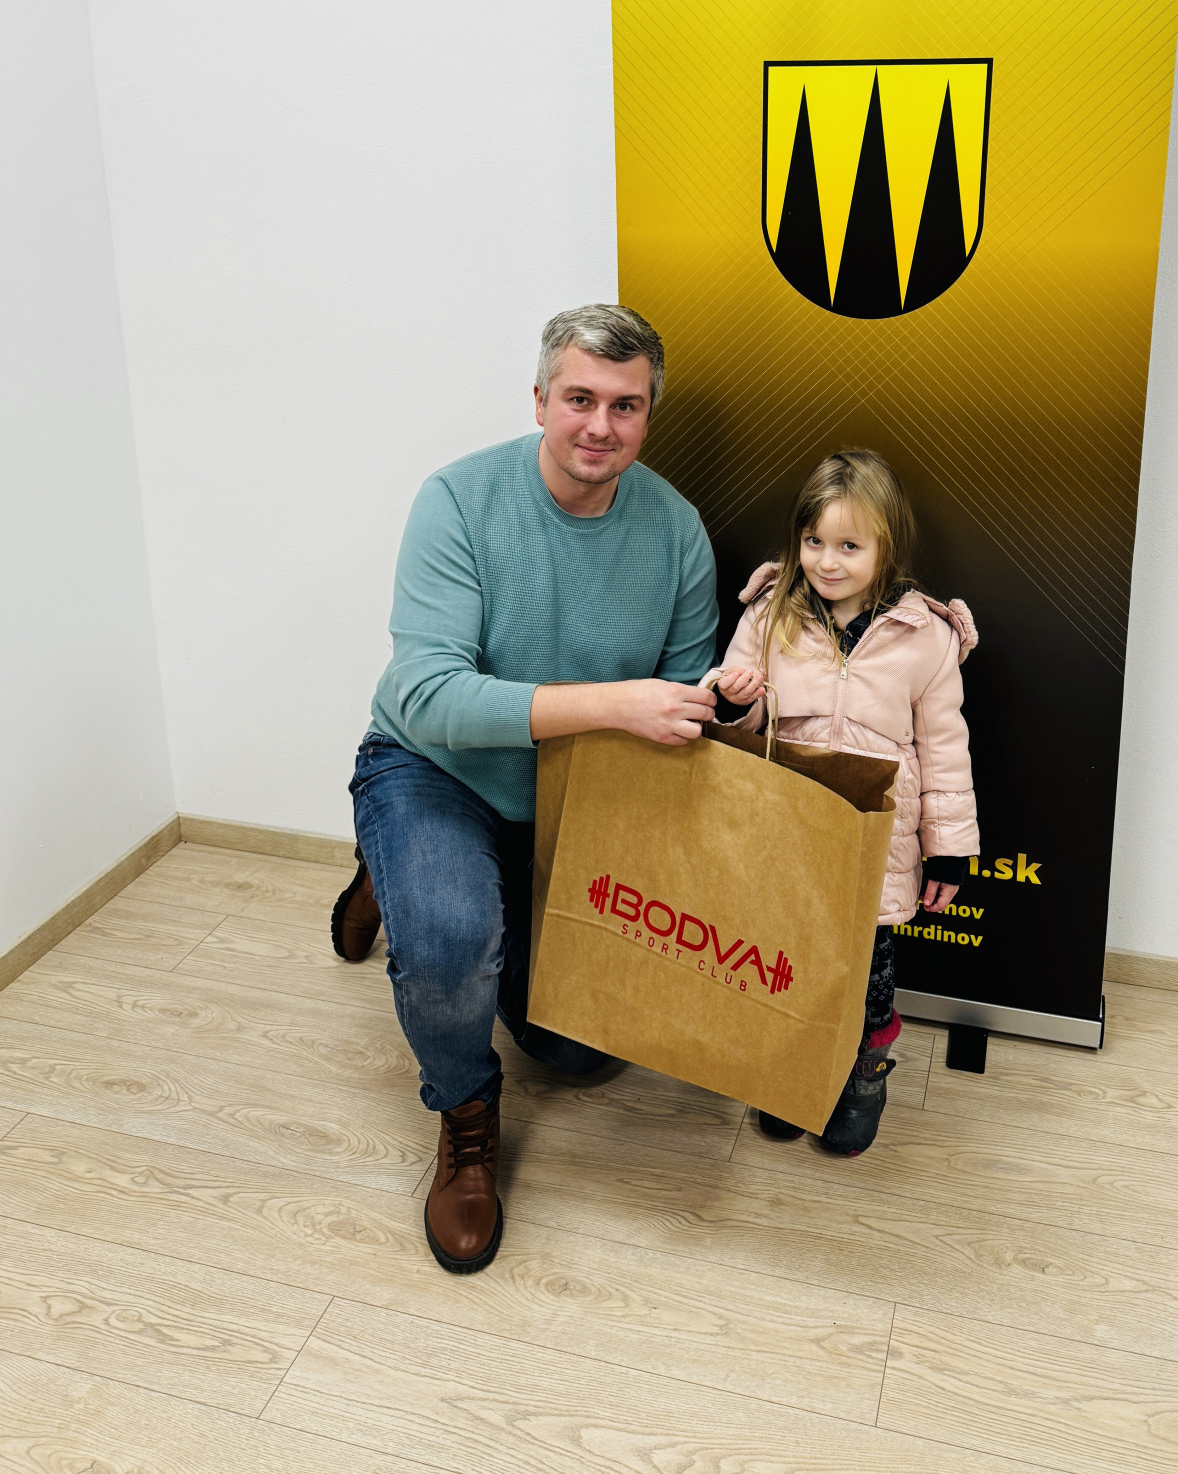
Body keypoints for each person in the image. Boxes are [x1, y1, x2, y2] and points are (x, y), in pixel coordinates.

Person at [330, 304, 717, 1275]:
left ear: (648, 415)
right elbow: (431, 694)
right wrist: (615, 702)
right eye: (579, 398)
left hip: (572, 800)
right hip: (434, 767)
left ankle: (403, 879)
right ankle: (464, 1113)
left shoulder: (677, 531)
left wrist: (722, 701)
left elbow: (679, 707)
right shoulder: (457, 500)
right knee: (450, 941)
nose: (600, 425)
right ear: (539, 399)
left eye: (625, 405)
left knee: (579, 1055)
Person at [711, 448, 978, 1154]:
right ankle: (791, 1070)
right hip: (787, 830)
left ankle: (864, 1076)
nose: (827, 562)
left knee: (868, 970)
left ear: (886, 546)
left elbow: (945, 748)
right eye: (814, 541)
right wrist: (731, 701)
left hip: (874, 839)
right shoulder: (768, 615)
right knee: (784, 957)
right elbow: (736, 726)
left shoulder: (926, 636)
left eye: (849, 546)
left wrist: (949, 849)